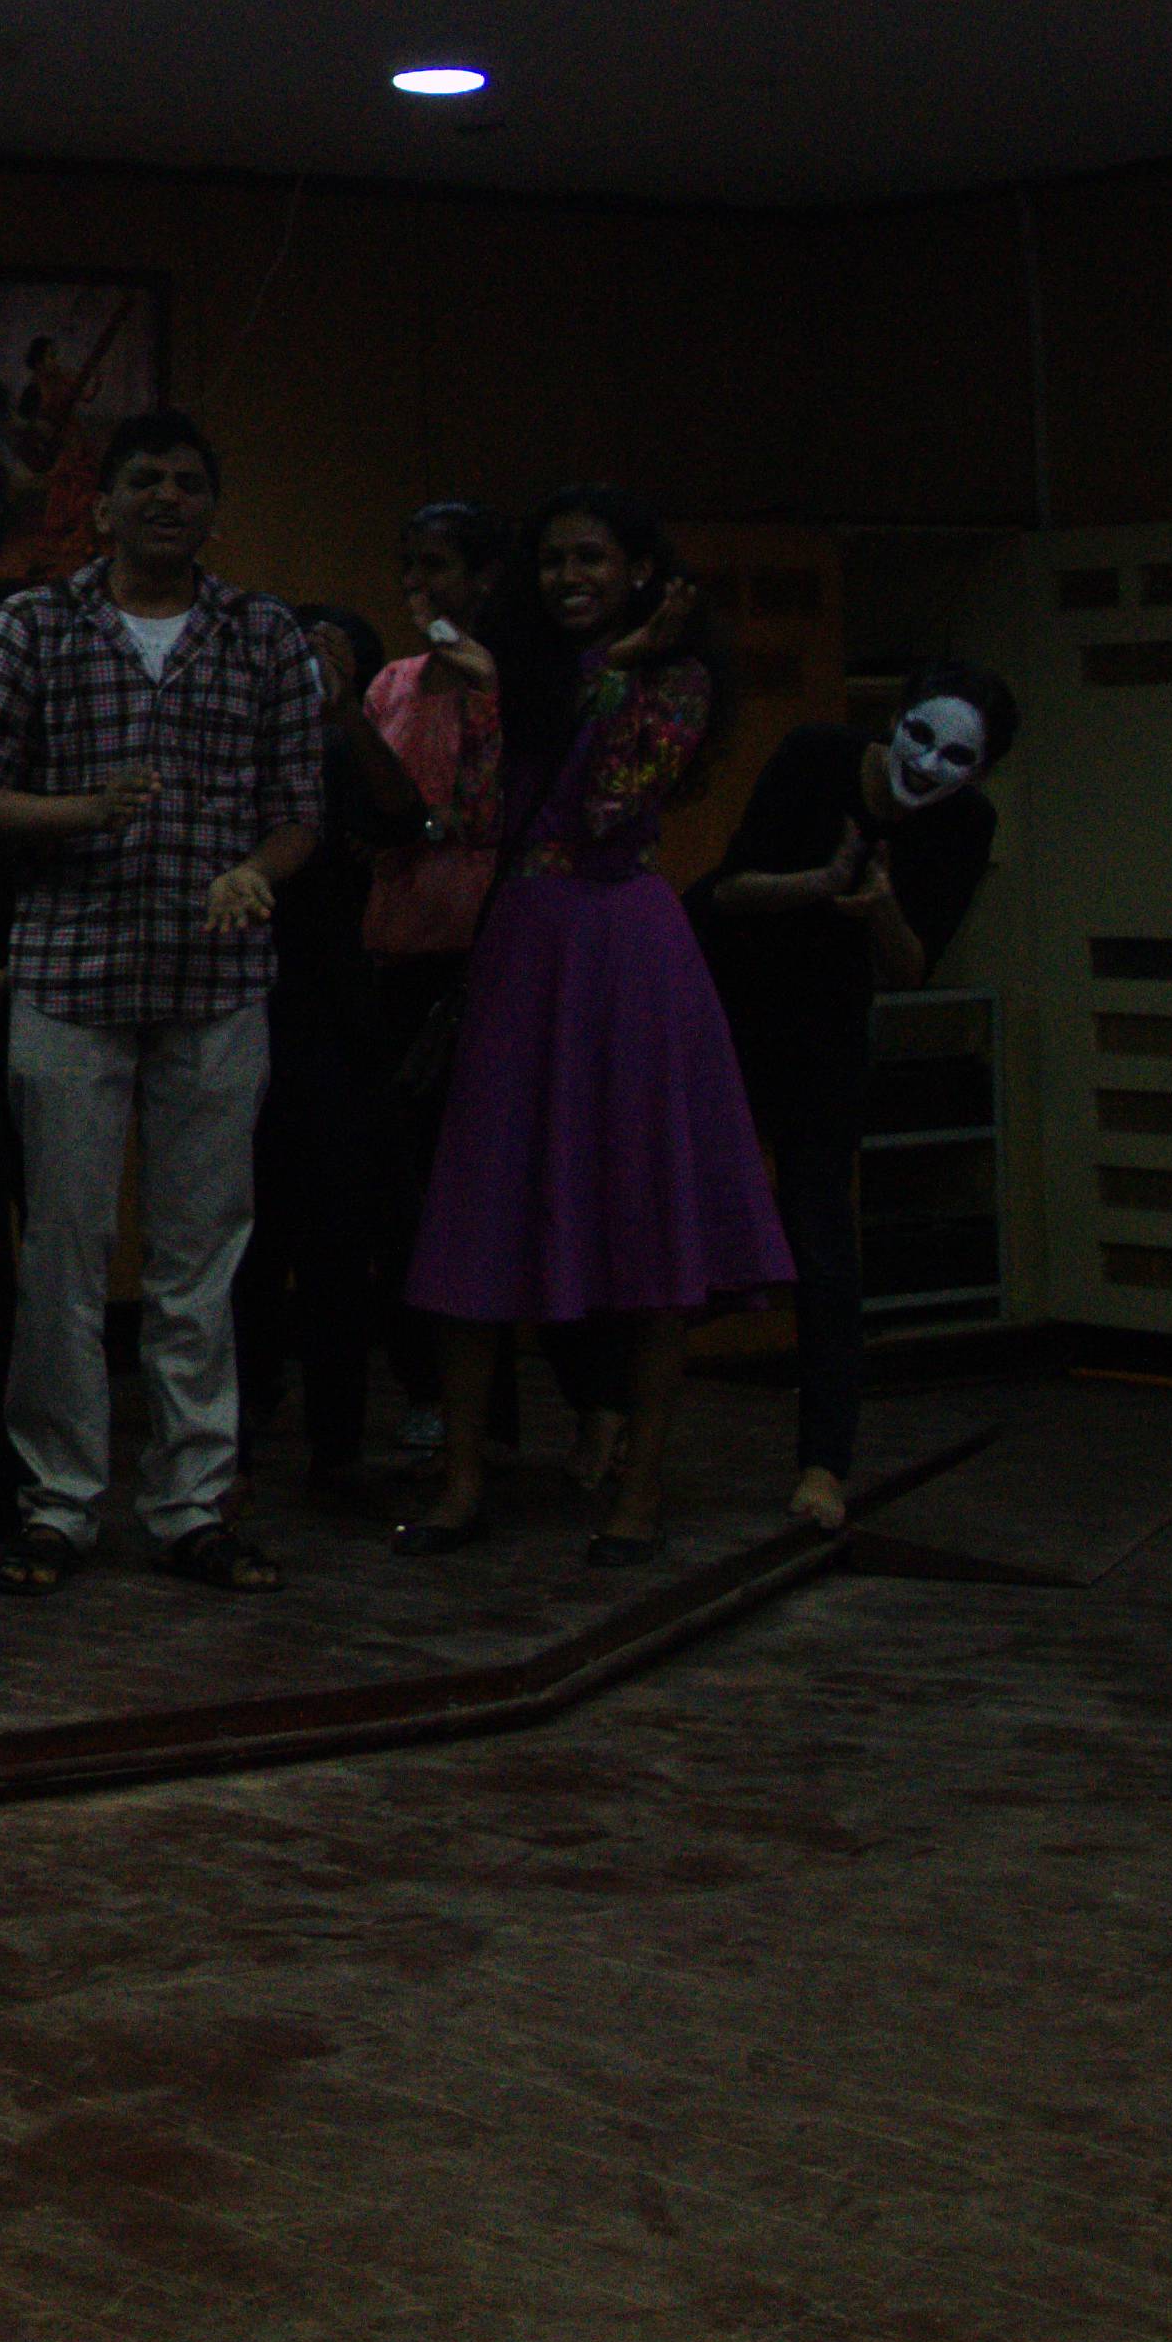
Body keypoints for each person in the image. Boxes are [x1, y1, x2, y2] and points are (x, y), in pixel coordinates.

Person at [0, 409, 324, 1600]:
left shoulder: (264, 632)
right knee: (62, 1252)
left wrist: (259, 870)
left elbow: (299, 805)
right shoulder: (33, 622)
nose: (167, 498)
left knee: (200, 1260)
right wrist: (81, 812)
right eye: (144, 480)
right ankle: (57, 1504)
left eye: (189, 482)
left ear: (213, 507)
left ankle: (192, 1505)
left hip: (216, 985)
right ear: (98, 507)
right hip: (69, 978)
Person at [408, 487, 794, 1560]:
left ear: (640, 571)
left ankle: (639, 1493)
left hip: (625, 946)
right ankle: (460, 1485)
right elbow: (478, 811)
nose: (567, 577)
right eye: (551, 560)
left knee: (649, 1213)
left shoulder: (680, 677)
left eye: (590, 558)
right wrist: (510, 690)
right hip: (524, 943)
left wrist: (618, 666)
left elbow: (611, 802)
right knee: (482, 1202)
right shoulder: (514, 668)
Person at [694, 667, 1020, 1528]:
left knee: (823, 1242)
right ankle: (610, 1412)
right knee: (680, 1209)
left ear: (979, 773)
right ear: (893, 721)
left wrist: (877, 906)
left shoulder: (964, 824)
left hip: (826, 1023)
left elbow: (910, 967)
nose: (928, 764)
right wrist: (821, 881)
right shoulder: (815, 756)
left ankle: (823, 1467)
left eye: (957, 758)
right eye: (921, 736)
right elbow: (728, 890)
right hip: (723, 995)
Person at [242, 604, 449, 1497]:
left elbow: (405, 820)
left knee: (336, 1238)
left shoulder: (333, 750)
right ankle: (238, 1425)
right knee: (237, 1237)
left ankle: (336, 1445)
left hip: (329, 1012)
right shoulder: (227, 744)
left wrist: (343, 713)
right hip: (231, 1005)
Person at [355, 503, 512, 1467]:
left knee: (483, 1183)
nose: (419, 585)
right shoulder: (393, 683)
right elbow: (370, 800)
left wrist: (482, 683)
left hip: (484, 952)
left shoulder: (507, 682)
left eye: (439, 566)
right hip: (394, 948)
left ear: (484, 578)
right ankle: (424, 1383)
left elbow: (490, 810)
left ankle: (499, 1401)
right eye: (408, 564)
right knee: (399, 1187)